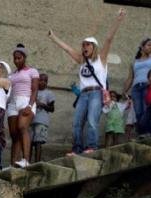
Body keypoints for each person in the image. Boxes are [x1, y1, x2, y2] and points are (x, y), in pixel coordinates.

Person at [48, 7, 126, 155]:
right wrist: (54, 37)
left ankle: (92, 147)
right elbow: (67, 49)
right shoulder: (81, 60)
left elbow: (109, 39)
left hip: (96, 93)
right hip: (83, 94)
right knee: (77, 122)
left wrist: (118, 20)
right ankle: (77, 148)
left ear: (93, 47)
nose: (84, 47)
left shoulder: (101, 58)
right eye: (83, 45)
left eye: (87, 44)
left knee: (91, 120)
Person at [7, 44, 39, 168]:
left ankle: (26, 160)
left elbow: (35, 89)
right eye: (15, 58)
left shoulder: (32, 71)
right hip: (12, 103)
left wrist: (30, 105)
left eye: (19, 58)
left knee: (22, 127)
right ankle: (13, 163)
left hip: (26, 101)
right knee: (14, 135)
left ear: (24, 57)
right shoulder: (12, 75)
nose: (16, 61)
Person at [122, 38, 151, 134]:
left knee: (146, 110)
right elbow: (130, 77)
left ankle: (148, 132)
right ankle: (142, 133)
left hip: (148, 86)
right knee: (138, 111)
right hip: (136, 88)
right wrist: (124, 90)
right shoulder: (134, 62)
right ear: (142, 46)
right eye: (149, 45)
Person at [30, 73, 55, 163]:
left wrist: (42, 105)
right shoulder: (32, 92)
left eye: (45, 81)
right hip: (30, 121)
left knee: (38, 142)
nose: (43, 82)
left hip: (41, 121)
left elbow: (52, 109)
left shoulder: (49, 93)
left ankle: (37, 162)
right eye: (41, 80)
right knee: (29, 142)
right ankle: (27, 162)